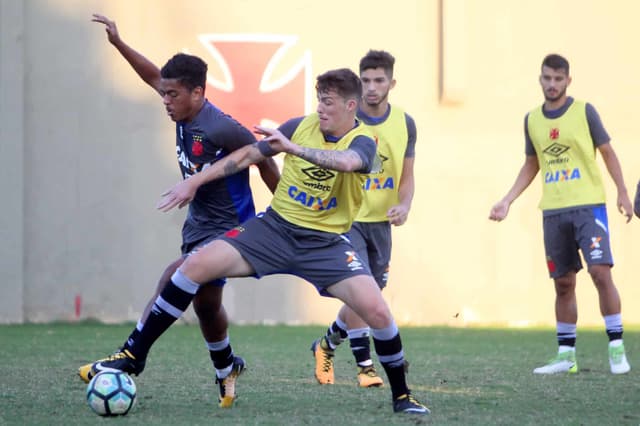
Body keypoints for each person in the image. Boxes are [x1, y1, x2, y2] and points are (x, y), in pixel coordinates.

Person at [87, 67, 430, 414]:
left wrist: (293, 149)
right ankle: (133, 355)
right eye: (319, 101)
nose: (321, 109)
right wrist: (195, 182)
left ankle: (402, 396)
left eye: (328, 103)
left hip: (325, 243)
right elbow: (249, 155)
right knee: (193, 266)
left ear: (350, 106)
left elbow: (347, 162)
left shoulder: (362, 141)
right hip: (274, 230)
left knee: (377, 311)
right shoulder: (301, 125)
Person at [78, 14, 280, 408]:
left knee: (176, 274)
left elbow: (265, 159)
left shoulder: (222, 127)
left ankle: (131, 355)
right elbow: (152, 75)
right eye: (165, 94)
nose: (165, 100)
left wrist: (282, 211)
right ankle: (227, 368)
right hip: (200, 224)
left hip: (232, 228)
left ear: (199, 93)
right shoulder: (182, 108)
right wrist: (119, 43)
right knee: (206, 305)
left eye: (173, 95)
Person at [489, 53, 632, 375]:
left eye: (558, 79)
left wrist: (622, 191)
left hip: (588, 205)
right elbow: (532, 163)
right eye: (547, 78)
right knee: (563, 283)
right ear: (540, 79)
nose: (552, 84)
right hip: (553, 211)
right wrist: (507, 200)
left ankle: (616, 346)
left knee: (600, 272)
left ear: (568, 80)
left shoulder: (585, 111)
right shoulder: (532, 119)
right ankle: (566, 356)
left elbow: (607, 151)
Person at [310, 50, 416, 388]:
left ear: (391, 83)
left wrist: (404, 205)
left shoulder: (405, 123)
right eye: (366, 80)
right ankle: (365, 367)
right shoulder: (346, 120)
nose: (371, 87)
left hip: (381, 224)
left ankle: (325, 345)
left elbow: (408, 176)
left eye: (378, 80)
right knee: (359, 289)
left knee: (369, 296)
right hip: (347, 218)